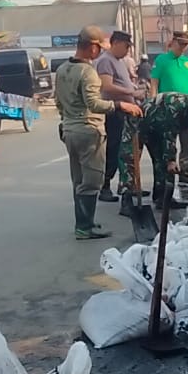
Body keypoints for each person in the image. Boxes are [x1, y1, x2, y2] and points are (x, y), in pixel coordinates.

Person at [54, 26, 142, 240]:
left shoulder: (63, 69)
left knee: (78, 180)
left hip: (70, 130)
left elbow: (58, 102)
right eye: (99, 48)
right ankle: (85, 227)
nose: (100, 52)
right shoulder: (88, 72)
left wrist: (68, 119)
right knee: (92, 181)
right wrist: (120, 105)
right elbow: (94, 103)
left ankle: (84, 223)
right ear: (92, 47)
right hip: (89, 131)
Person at [120, 86, 188, 210]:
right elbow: (169, 134)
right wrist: (171, 160)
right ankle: (127, 200)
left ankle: (162, 197)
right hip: (139, 122)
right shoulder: (177, 104)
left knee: (162, 163)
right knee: (129, 160)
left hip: (158, 130)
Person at [95, 30, 141, 202]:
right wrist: (130, 92)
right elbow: (107, 86)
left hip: (126, 110)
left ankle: (127, 185)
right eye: (126, 46)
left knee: (126, 150)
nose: (128, 50)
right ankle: (105, 186)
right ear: (115, 43)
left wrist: (134, 90)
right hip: (115, 111)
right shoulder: (106, 61)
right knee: (114, 149)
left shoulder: (119, 61)